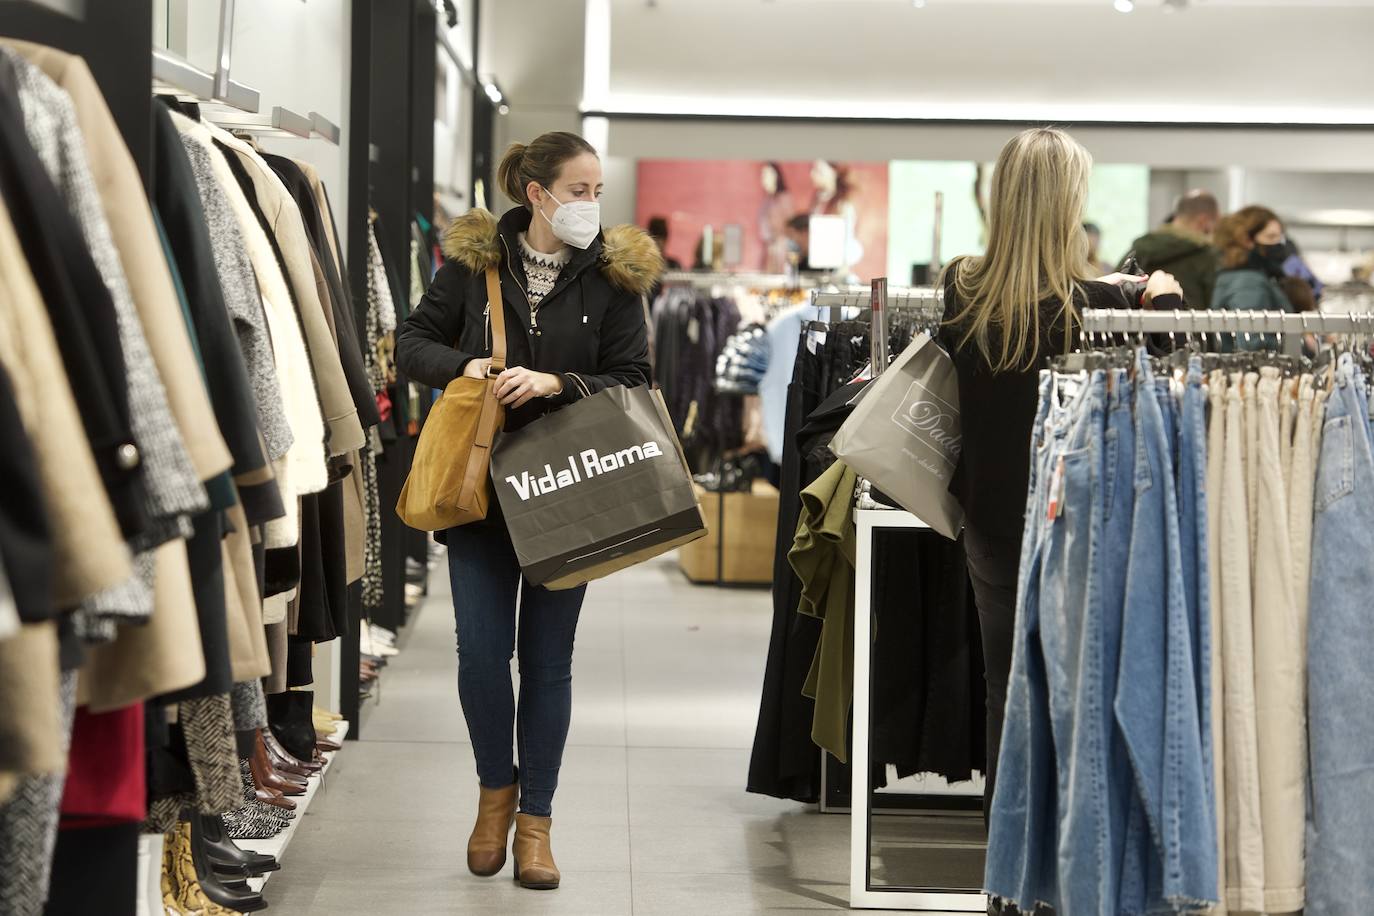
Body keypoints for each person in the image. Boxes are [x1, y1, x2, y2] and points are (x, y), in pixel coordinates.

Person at [395, 130, 661, 891]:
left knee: (548, 663)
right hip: (477, 494)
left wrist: (558, 386)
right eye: (580, 192)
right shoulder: (473, 265)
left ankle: (536, 823)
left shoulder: (613, 280)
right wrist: (465, 366)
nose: (592, 206)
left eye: (599, 193)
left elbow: (635, 379)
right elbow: (410, 343)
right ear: (536, 194)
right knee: (481, 655)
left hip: (568, 492)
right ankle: (493, 796)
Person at [937, 127, 1183, 835]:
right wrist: (1160, 301)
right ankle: (1072, 857)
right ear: (1068, 204)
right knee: (1083, 693)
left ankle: (1007, 863)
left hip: (988, 519)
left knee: (1006, 691)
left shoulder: (964, 288)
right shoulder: (1097, 307)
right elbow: (1173, 367)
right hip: (1078, 522)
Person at [1212, 205, 1293, 350]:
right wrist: (1301, 344)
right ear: (1247, 240)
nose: (1279, 244)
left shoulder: (1245, 276)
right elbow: (1250, 343)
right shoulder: (1247, 282)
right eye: (1270, 237)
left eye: (1280, 237)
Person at [1125, 189, 1220, 309]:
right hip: (1188, 325)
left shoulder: (1141, 247)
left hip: (1137, 325)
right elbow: (1214, 304)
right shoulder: (1207, 256)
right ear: (1204, 221)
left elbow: (1119, 288)